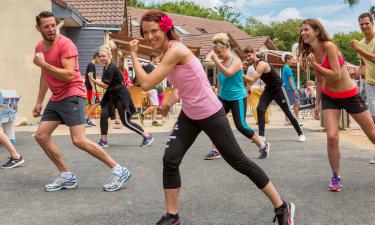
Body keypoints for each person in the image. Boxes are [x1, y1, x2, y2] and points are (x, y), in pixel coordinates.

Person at [129, 10, 295, 225]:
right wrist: (169, 102)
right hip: (189, 113)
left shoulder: (176, 49)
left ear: (166, 29)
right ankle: (172, 216)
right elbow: (184, 83)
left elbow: (147, 84)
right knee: (170, 159)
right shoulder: (166, 53)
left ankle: (282, 206)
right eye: (144, 32)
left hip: (210, 112)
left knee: (239, 161)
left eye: (154, 31)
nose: (149, 36)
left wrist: (133, 53)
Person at [33, 11, 132, 192]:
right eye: (46, 26)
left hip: (72, 93)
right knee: (41, 135)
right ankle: (66, 176)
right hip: (56, 96)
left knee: (78, 140)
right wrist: (39, 101)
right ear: (38, 28)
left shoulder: (66, 44)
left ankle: (119, 170)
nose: (51, 29)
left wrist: (43, 64)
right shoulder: (39, 47)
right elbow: (44, 75)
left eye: (53, 25)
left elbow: (69, 74)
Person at [298, 18, 375, 191]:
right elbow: (320, 80)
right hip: (329, 97)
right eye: (301, 30)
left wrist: (315, 64)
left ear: (317, 31)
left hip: (350, 95)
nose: (303, 33)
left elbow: (336, 75)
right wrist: (317, 104)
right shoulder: (311, 51)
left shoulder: (329, 47)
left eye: (306, 29)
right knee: (332, 136)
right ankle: (336, 177)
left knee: (372, 135)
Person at [204, 33, 270, 160]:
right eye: (216, 53)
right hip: (223, 96)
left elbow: (228, 73)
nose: (217, 55)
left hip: (238, 97)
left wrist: (216, 61)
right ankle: (216, 149)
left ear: (226, 49)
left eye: (219, 52)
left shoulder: (237, 61)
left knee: (241, 125)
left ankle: (262, 145)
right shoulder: (221, 62)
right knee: (215, 122)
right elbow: (221, 80)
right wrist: (217, 94)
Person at [88, 46, 154, 147]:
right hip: (111, 96)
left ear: (109, 56)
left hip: (121, 96)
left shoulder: (111, 68)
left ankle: (147, 136)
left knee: (126, 121)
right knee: (104, 114)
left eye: (103, 56)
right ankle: (103, 140)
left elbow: (105, 85)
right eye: (100, 56)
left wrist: (92, 79)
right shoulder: (105, 66)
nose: (101, 58)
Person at [244, 47, 305, 142]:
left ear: (254, 53)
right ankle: (261, 136)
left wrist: (238, 73)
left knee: (287, 112)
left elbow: (251, 81)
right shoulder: (254, 65)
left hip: (278, 89)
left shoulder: (261, 64)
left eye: (249, 55)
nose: (247, 58)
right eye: (246, 56)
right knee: (260, 109)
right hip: (268, 89)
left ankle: (300, 133)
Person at [351, 12, 375, 164]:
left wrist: (358, 50)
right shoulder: (360, 42)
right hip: (371, 84)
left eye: (367, 23)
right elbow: (363, 66)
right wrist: (352, 75)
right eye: (361, 24)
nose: (364, 26)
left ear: (372, 23)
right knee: (373, 120)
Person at [138, 53, 163, 126]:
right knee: (155, 105)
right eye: (157, 58)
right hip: (151, 88)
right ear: (153, 58)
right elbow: (148, 77)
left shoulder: (152, 66)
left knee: (154, 105)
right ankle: (142, 115)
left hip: (153, 88)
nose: (158, 60)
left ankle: (154, 121)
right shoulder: (149, 66)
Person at [246, 54, 270, 124]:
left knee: (255, 104)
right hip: (263, 87)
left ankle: (258, 120)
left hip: (253, 88)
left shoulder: (250, 68)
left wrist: (248, 89)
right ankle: (266, 119)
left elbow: (248, 79)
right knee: (265, 104)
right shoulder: (264, 65)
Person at [281, 54, 300, 125]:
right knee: (296, 103)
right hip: (290, 88)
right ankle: (297, 119)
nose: (293, 61)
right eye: (292, 60)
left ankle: (288, 120)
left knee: (288, 104)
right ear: (287, 60)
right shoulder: (287, 68)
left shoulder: (284, 68)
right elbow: (290, 80)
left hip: (287, 88)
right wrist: (294, 89)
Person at [84, 52, 100, 127]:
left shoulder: (92, 65)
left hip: (90, 87)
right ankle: (86, 118)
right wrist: (93, 88)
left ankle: (88, 120)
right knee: (96, 102)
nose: (101, 60)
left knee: (91, 103)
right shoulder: (91, 65)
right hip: (91, 88)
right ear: (96, 57)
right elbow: (90, 76)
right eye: (100, 58)